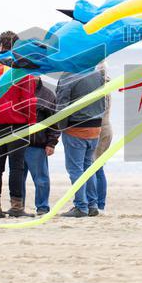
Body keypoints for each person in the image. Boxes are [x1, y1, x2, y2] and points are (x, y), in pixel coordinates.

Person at [0, 31, 37, 218]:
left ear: (0, 45)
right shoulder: (22, 67)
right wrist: (32, 122)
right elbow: (28, 99)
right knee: (16, 167)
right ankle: (16, 206)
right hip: (17, 123)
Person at [56, 65, 106, 218]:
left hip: (76, 127)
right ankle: (92, 205)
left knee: (76, 169)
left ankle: (81, 206)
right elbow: (102, 101)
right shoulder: (97, 74)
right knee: (87, 166)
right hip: (95, 126)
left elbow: (62, 104)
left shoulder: (68, 75)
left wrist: (60, 127)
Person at [24, 77, 60, 215]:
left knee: (41, 179)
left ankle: (42, 207)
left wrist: (52, 143)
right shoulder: (16, 90)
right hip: (17, 144)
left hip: (37, 145)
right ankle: (18, 207)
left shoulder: (47, 95)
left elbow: (55, 122)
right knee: (17, 179)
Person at [92, 65, 112, 213]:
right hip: (103, 128)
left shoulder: (101, 89)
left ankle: (99, 204)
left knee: (95, 168)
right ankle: (98, 203)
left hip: (101, 129)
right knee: (96, 167)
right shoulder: (103, 86)